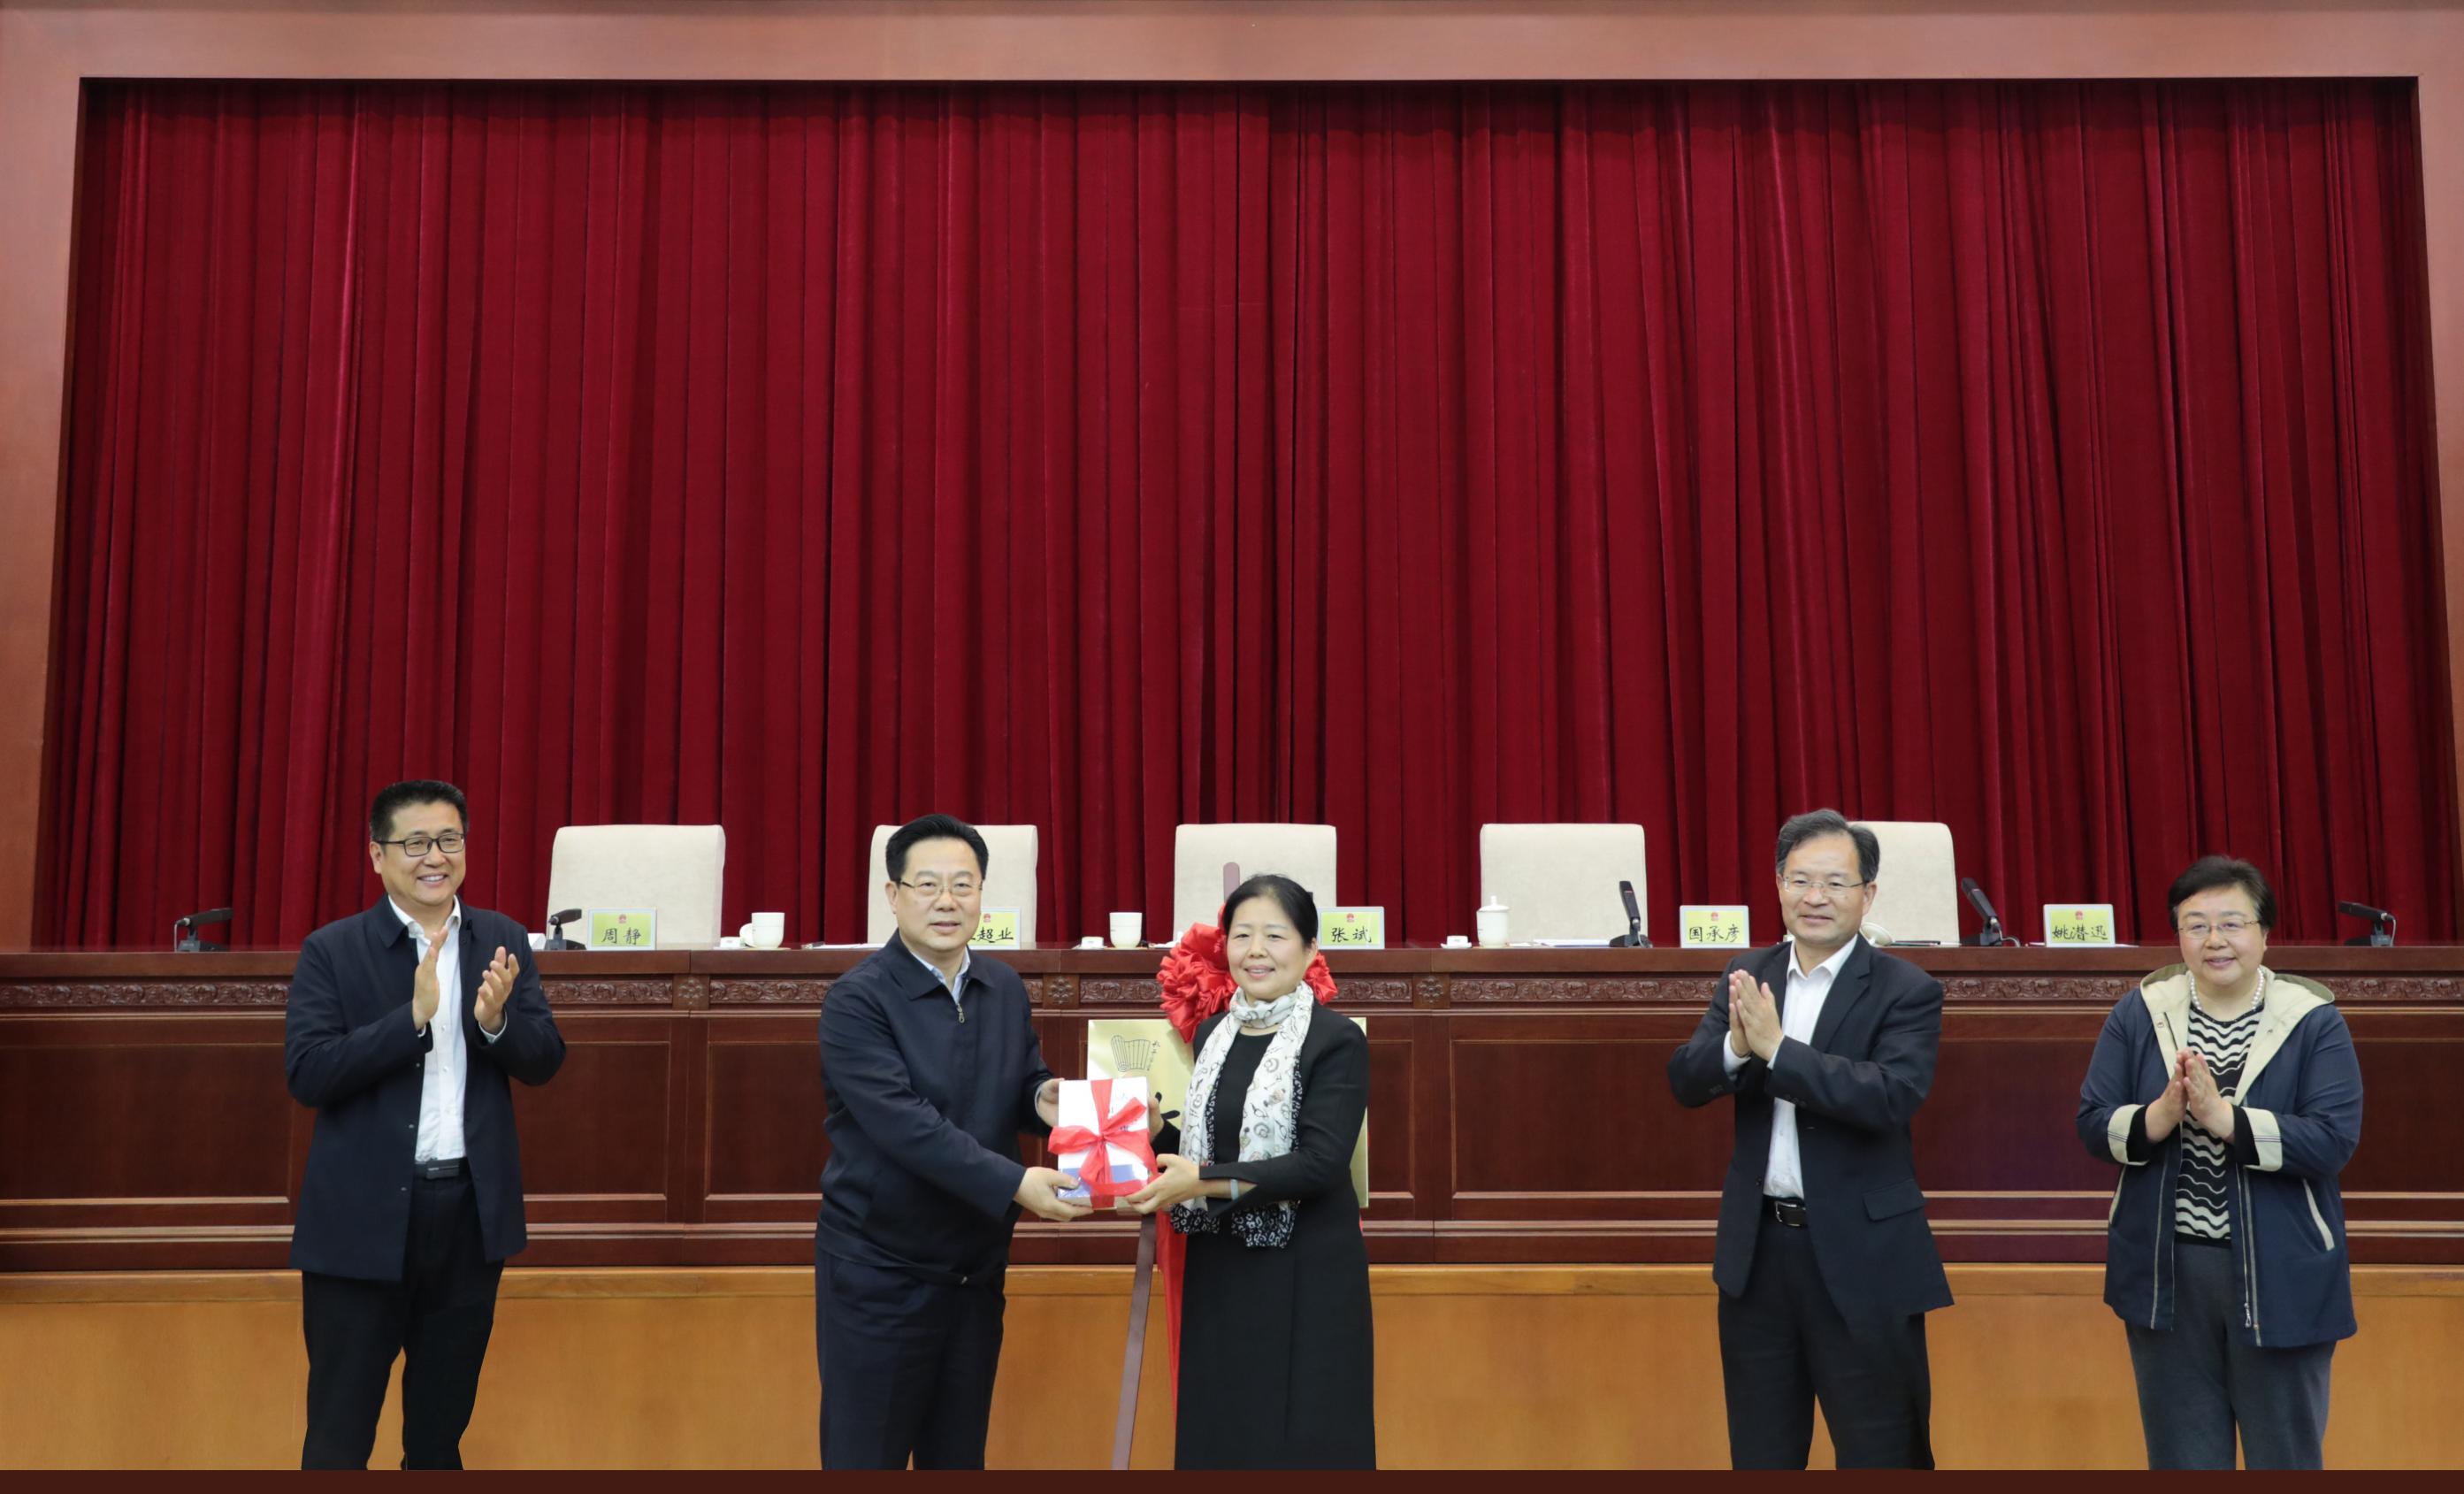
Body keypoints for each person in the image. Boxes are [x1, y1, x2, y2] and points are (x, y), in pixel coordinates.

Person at [284, 778, 566, 1468]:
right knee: (339, 1439)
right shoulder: (332, 950)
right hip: (359, 1227)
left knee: (438, 1440)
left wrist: (495, 1023)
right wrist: (409, 1019)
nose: (434, 856)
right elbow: (309, 1073)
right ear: (377, 854)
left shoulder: (501, 939)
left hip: (468, 1220)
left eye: (448, 839)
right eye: (414, 842)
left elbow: (546, 1059)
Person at [1665, 808, 1951, 1468]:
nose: (1815, 897)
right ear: (1778, 885)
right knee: (1762, 1452)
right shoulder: (1748, 973)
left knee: (1883, 1451)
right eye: (1800, 880)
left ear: (1867, 894)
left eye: (1835, 883)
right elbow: (1685, 1079)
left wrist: (1778, 1050)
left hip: (1864, 1257)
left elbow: (1889, 1096)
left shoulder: (1906, 990)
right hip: (1760, 1256)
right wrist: (1739, 1049)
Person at [815, 813, 1087, 1468]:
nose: (947, 901)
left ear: (982, 893)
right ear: (893, 894)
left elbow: (1018, 1082)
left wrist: (1044, 1100)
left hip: (974, 1273)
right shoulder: (857, 1001)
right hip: (882, 1275)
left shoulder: (1003, 987)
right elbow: (908, 1126)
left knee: (958, 1460)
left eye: (963, 885)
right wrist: (1014, 1183)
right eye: (928, 884)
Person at [2076, 855, 2361, 1468]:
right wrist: (2160, 1115)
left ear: (2264, 932)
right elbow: (2093, 1124)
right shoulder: (2142, 1011)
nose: (2215, 940)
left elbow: (2332, 1141)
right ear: (2178, 935)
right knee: (2182, 1458)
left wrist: (2223, 1118)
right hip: (2167, 1272)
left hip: (2281, 1272)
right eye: (2196, 925)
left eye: (2232, 923)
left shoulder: (2311, 1019)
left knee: (2284, 1456)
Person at [1126, 873, 1376, 1469]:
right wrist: (1156, 1130)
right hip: (1224, 1268)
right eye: (1242, 935)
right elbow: (1209, 1149)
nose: (1256, 950)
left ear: (1310, 950)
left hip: (1308, 1273)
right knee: (1225, 1432)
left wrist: (1202, 1182)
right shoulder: (1215, 1033)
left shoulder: (1336, 1040)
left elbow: (1320, 1164)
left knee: (1305, 1440)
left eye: (1275, 935)